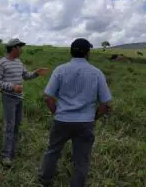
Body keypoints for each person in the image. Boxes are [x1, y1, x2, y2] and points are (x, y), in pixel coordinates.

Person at [38, 38, 112, 187]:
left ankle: (45, 180)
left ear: (71, 52)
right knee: (82, 159)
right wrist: (93, 117)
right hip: (85, 122)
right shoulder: (97, 73)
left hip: (62, 120)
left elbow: (47, 97)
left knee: (53, 151)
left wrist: (55, 112)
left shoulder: (60, 70)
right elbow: (105, 104)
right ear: (87, 53)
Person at [0, 38, 49, 167]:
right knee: (9, 126)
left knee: (17, 125)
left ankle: (12, 151)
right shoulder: (1, 63)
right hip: (8, 98)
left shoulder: (19, 62)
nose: (21, 49)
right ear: (13, 48)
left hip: (19, 98)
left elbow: (25, 76)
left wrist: (36, 73)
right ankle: (6, 156)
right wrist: (12, 87)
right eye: (20, 47)